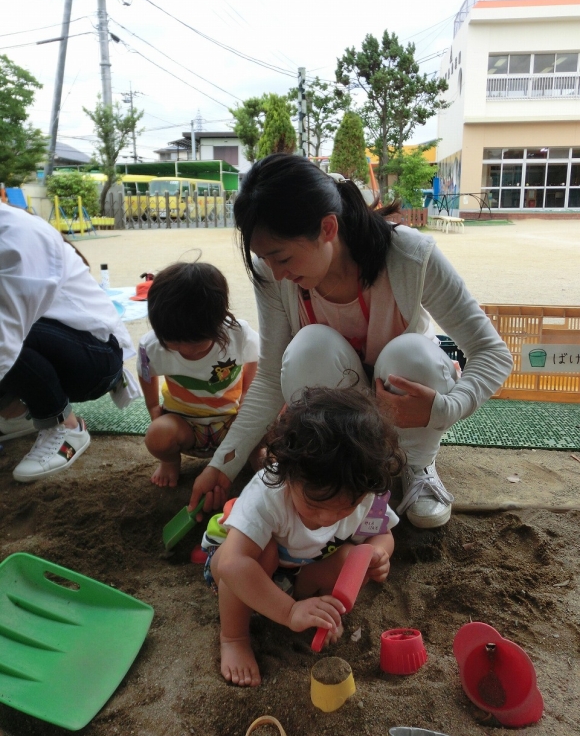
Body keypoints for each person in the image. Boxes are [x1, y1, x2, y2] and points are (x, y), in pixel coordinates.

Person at [189, 153, 513, 529]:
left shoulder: (410, 256)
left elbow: (491, 352)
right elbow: (268, 379)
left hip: (401, 402)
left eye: (282, 257)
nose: (276, 274)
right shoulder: (275, 276)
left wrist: (443, 408)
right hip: (343, 404)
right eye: (265, 259)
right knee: (308, 348)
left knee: (412, 352)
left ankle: (416, 467)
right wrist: (222, 465)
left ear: (328, 228)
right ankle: (341, 472)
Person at [206, 386, 403, 687]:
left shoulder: (363, 493)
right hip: (235, 568)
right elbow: (232, 564)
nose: (325, 518)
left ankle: (315, 610)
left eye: (342, 509)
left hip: (301, 568)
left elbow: (383, 534)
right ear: (288, 474)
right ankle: (233, 637)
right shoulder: (269, 492)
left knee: (353, 558)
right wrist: (289, 612)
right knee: (263, 553)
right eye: (313, 505)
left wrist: (378, 553)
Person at [0, 202, 138, 481]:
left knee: (6, 335)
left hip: (96, 360)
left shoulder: (16, 236)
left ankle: (66, 428)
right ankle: (15, 415)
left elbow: (6, 339)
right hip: (61, 347)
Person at [136, 262, 259, 487]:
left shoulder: (237, 334)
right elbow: (146, 373)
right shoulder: (152, 345)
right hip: (184, 425)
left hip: (233, 421)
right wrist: (153, 406)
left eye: (197, 343)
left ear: (219, 322)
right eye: (174, 343)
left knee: (273, 421)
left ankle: (252, 455)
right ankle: (170, 462)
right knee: (156, 435)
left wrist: (247, 399)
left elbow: (255, 359)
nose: (186, 351)